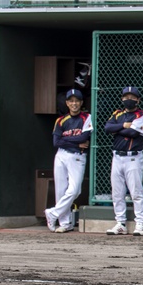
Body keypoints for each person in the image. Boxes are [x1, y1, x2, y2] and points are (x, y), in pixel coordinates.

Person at [104, 86, 143, 236]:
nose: (129, 99)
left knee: (136, 192)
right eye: (126, 97)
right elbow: (107, 127)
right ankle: (120, 223)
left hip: (133, 157)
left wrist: (117, 130)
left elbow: (133, 133)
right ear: (122, 98)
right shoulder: (117, 114)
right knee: (117, 193)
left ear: (138, 100)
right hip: (117, 157)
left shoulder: (142, 115)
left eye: (132, 97)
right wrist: (123, 125)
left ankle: (140, 223)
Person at [45, 89, 92, 233]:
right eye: (71, 101)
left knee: (74, 190)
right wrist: (76, 142)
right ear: (67, 103)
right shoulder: (61, 120)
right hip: (61, 155)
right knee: (61, 190)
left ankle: (53, 213)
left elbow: (83, 137)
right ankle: (65, 223)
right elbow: (56, 142)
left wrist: (70, 141)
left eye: (77, 101)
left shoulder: (86, 117)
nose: (74, 104)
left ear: (81, 102)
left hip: (77, 156)